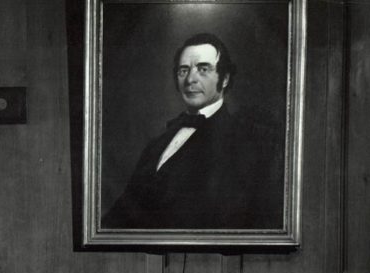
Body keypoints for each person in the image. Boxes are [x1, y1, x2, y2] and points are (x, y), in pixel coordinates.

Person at [102, 32, 283, 230]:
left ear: (224, 79)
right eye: (183, 70)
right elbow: (125, 210)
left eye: (203, 69)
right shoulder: (157, 144)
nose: (190, 79)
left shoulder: (245, 143)